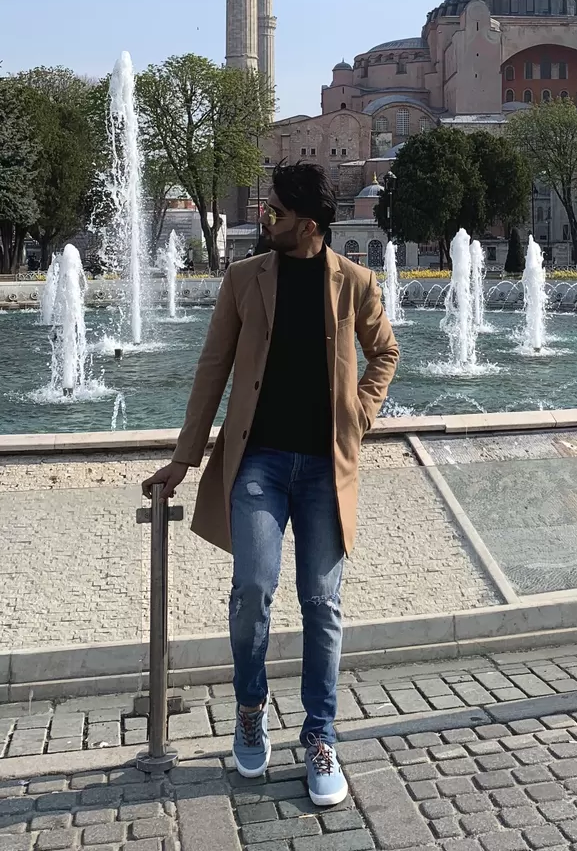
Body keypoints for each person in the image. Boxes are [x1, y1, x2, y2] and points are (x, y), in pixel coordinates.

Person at [141, 162, 399, 807]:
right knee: (253, 587)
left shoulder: (356, 283)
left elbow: (386, 352)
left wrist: (362, 413)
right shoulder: (244, 278)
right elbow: (213, 367)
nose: (266, 218)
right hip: (256, 460)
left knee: (321, 600)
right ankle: (251, 708)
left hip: (324, 468)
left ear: (308, 223)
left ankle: (320, 735)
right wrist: (185, 456)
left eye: (276, 212)